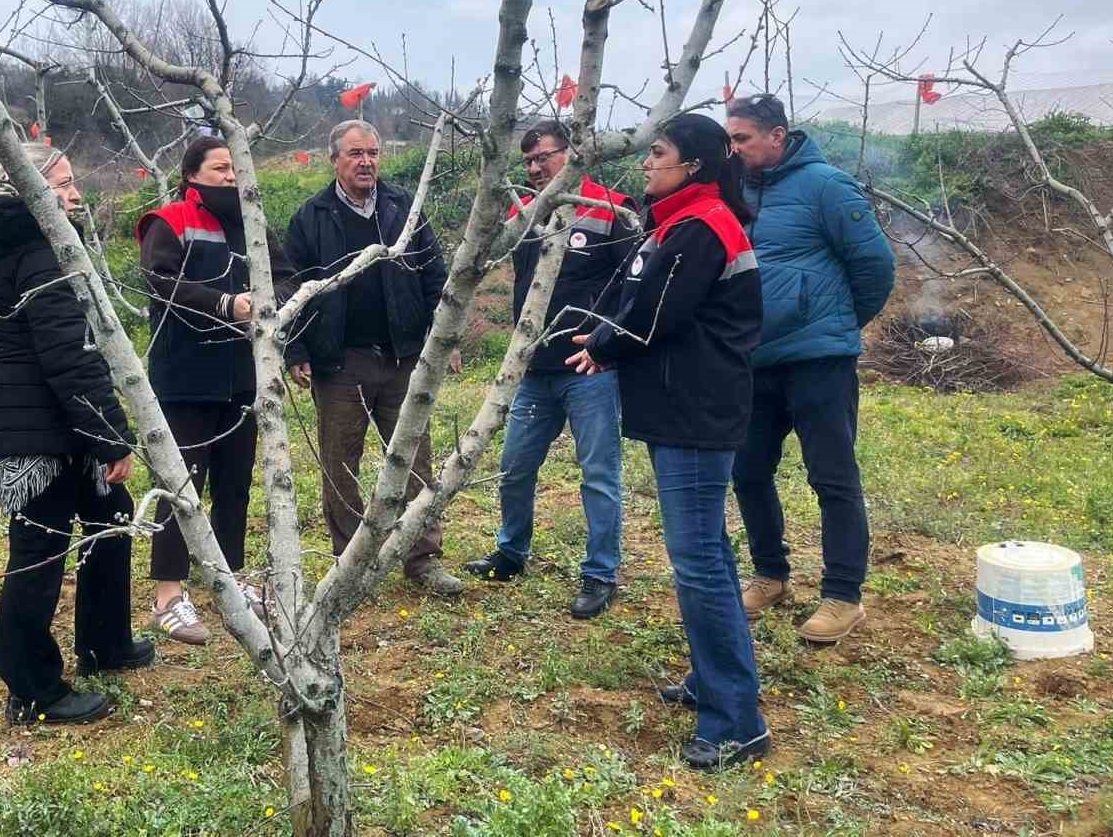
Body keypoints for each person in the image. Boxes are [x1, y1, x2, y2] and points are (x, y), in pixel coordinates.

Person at [567, 112, 767, 770]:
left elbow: (657, 315)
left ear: (696, 166)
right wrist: (604, 339)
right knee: (707, 552)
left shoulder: (702, 227)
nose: (647, 163)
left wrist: (603, 344)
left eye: (659, 153)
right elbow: (641, 301)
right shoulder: (678, 225)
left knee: (700, 562)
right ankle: (716, 682)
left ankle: (737, 720)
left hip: (695, 413)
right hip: (685, 408)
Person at [0, 143, 154, 727]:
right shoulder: (36, 252)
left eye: (72, 181)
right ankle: (31, 688)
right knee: (39, 551)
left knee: (111, 517)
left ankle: (105, 643)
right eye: (61, 184)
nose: (75, 194)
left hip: (46, 418)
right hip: (39, 426)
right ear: (26, 192)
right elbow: (70, 355)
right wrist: (112, 437)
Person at [724, 95, 895, 644]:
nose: (735, 148)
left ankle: (843, 596)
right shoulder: (737, 191)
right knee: (748, 471)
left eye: (743, 138)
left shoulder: (827, 186)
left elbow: (875, 266)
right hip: (754, 360)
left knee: (832, 477)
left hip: (819, 359)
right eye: (730, 139)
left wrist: (834, 322)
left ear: (777, 135)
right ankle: (771, 575)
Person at [283, 120, 463, 596]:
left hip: (404, 358)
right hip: (340, 364)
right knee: (341, 467)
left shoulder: (402, 207)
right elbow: (292, 287)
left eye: (373, 153)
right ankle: (349, 566)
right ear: (334, 160)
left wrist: (445, 336)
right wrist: (295, 349)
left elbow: (433, 273)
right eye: (355, 154)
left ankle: (422, 561)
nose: (367, 162)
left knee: (415, 461)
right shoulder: (310, 217)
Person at [464, 120, 635, 619]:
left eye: (545, 157)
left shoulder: (613, 210)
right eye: (530, 161)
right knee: (515, 467)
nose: (536, 168)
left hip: (589, 370)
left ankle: (600, 573)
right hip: (534, 369)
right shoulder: (528, 211)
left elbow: (634, 290)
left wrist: (607, 344)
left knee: (598, 473)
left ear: (573, 153)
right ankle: (511, 552)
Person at [138, 136, 297, 645]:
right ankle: (168, 595)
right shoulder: (171, 221)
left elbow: (288, 276)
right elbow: (159, 283)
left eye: (235, 168)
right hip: (185, 378)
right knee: (182, 487)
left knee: (235, 484)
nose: (231, 176)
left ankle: (232, 579)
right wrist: (226, 304)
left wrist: (276, 306)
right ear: (192, 175)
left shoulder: (253, 222)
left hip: (243, 378)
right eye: (220, 168)